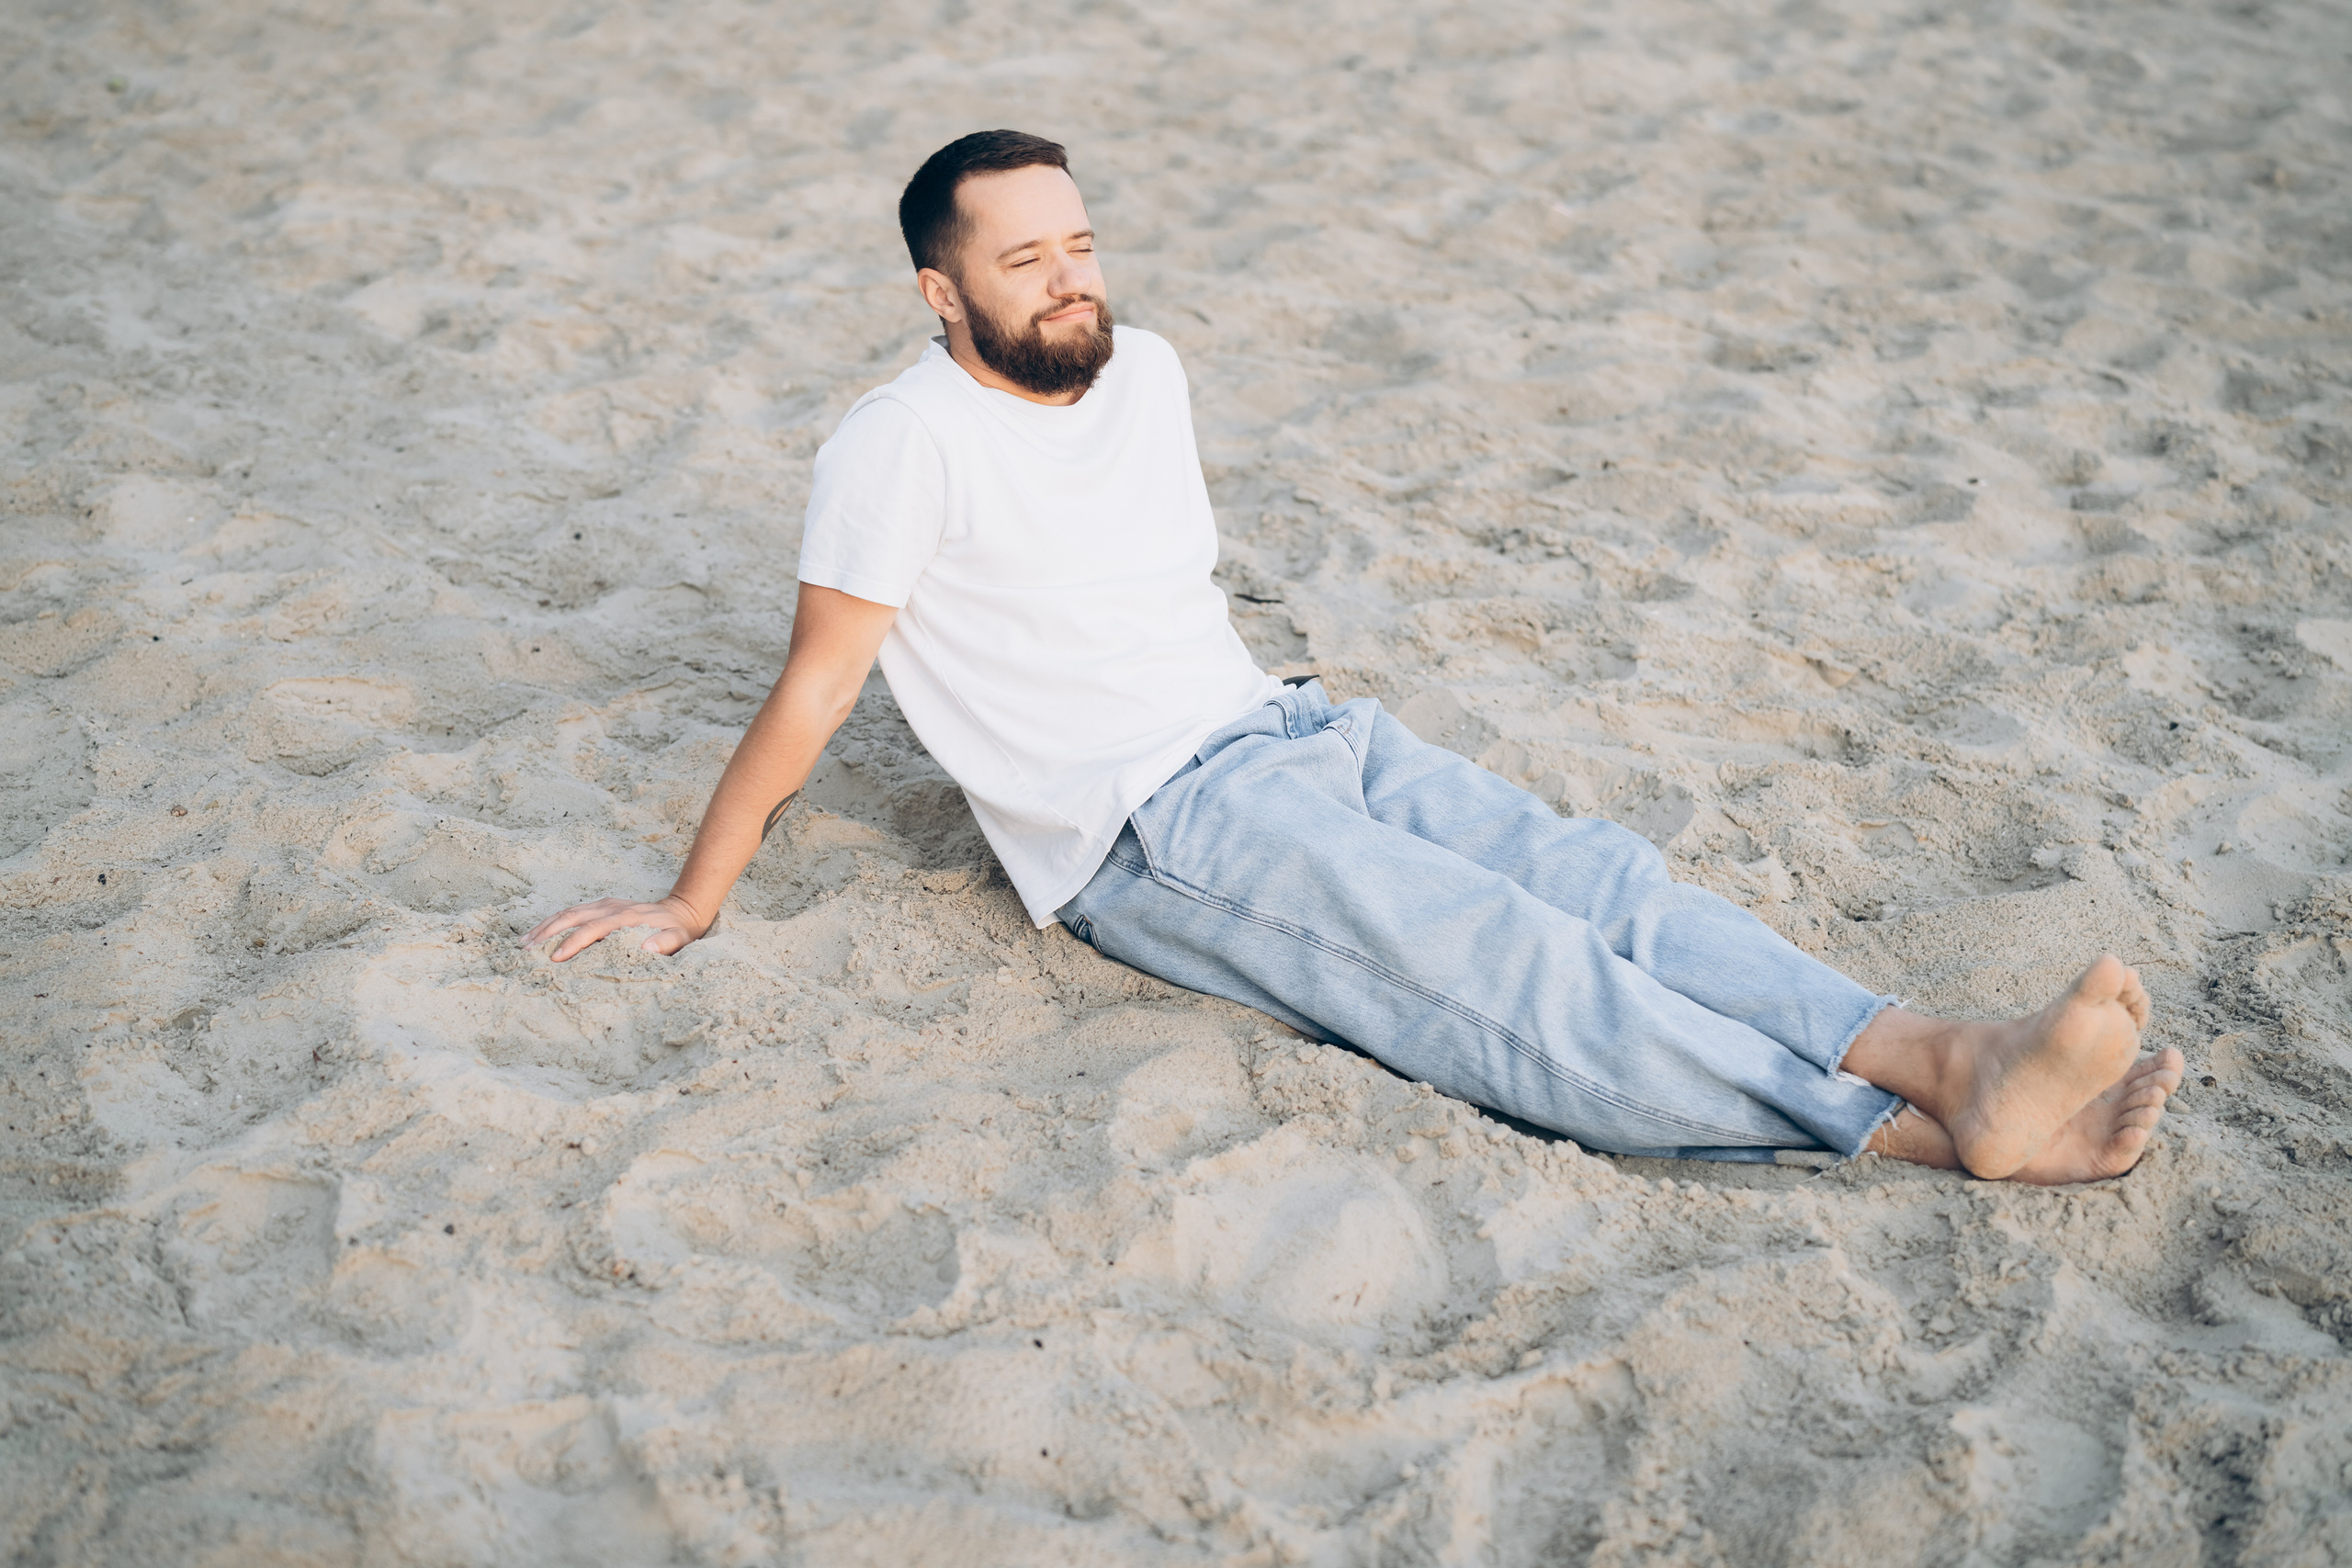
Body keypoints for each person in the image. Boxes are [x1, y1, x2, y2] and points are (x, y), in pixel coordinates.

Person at [525, 130, 2184, 1185]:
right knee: (1495, 969)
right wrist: (693, 900)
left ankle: (1942, 1051)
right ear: (938, 290)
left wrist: (1288, 730)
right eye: (1024, 260)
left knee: (1603, 884)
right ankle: (1905, 1134)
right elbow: (817, 689)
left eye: (1080, 243)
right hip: (1148, 828)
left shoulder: (1148, 369)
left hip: (1287, 727)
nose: (1070, 281)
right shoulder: (896, 445)